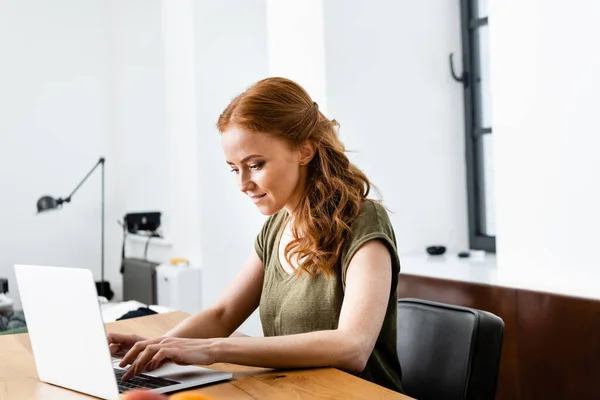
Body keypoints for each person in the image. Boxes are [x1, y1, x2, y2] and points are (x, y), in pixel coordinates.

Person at [108, 77, 403, 393]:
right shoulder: (276, 228)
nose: (243, 183)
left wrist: (213, 350)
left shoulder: (363, 220)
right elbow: (222, 314)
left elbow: (352, 347)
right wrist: (159, 346)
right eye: (235, 169)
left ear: (304, 150)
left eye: (256, 165)